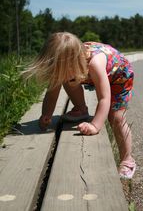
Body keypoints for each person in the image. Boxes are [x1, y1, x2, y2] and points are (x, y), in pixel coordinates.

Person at [24, 32, 136, 179]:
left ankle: (127, 159)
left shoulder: (95, 64)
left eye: (61, 70)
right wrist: (46, 114)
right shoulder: (66, 67)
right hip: (85, 72)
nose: (57, 75)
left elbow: (104, 98)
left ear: (75, 62)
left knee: (115, 117)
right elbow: (52, 94)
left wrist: (95, 125)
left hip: (118, 76)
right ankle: (81, 109)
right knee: (66, 79)